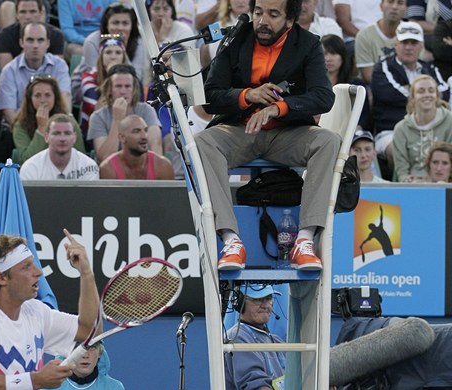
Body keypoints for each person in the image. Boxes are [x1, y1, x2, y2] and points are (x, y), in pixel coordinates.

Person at [196, 0, 340, 271]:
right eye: (258, 12)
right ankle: (230, 239)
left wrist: (278, 108)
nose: (262, 21)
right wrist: (245, 95)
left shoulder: (308, 44)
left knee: (329, 141)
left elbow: (323, 97)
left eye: (273, 14)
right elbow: (210, 96)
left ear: (290, 20)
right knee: (203, 142)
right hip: (240, 130)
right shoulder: (235, 38)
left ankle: (305, 239)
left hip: (287, 133)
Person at [0, 229, 100, 389]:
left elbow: (90, 331)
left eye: (34, 264)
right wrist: (35, 380)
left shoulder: (37, 312)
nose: (38, 272)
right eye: (26, 267)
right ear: (1, 278)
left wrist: (86, 273)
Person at [371, 21, 450, 172]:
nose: (408, 47)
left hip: (431, 129)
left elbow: (444, 92)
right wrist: (425, 95)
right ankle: (402, 187)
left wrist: (413, 91)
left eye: (413, 42)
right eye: (404, 42)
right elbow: (388, 93)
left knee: (442, 152)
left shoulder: (430, 68)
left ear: (421, 46)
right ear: (396, 45)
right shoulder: (383, 67)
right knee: (396, 150)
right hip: (391, 130)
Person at [0, 22, 71, 126]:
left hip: (54, 128)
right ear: (21, 42)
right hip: (19, 129)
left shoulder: (59, 66)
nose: (35, 45)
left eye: (40, 40)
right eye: (30, 40)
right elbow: (9, 114)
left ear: (48, 43)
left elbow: (64, 102)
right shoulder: (9, 71)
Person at [88, 63, 162, 163]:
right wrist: (117, 119)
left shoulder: (147, 110)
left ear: (134, 89)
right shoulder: (97, 117)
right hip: (112, 175)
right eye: (118, 86)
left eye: (127, 86)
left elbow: (156, 148)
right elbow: (105, 159)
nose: (123, 91)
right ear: (110, 89)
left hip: (142, 171)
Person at [224, 283, 285, 390]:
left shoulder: (275, 340)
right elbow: (256, 386)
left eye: (269, 298)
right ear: (240, 303)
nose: (266, 305)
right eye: (258, 299)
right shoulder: (237, 337)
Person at [13, 75, 86, 165]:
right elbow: (26, 160)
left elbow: (81, 155)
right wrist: (41, 128)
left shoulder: (69, 121)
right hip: (35, 174)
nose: (43, 100)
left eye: (47, 95)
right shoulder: (21, 125)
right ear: (30, 99)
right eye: (37, 95)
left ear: (55, 98)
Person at [392, 74, 452, 182]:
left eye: (431, 91)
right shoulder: (401, 129)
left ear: (437, 96)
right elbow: (402, 171)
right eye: (421, 91)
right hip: (414, 185)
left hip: (445, 183)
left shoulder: (450, 121)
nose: (427, 95)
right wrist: (407, 180)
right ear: (413, 98)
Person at [73, 34, 131, 143]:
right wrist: (112, 75)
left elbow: (134, 107)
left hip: (126, 130)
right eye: (108, 52)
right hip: (96, 132)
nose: (113, 57)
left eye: (118, 52)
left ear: (123, 57)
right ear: (101, 56)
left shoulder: (132, 79)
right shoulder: (88, 77)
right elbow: (96, 110)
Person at [20, 113, 99, 180]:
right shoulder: (30, 168)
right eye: (56, 133)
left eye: (67, 133)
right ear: (46, 137)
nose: (62, 139)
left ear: (74, 137)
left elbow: (89, 198)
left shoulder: (88, 166)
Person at [78, 3, 145, 80]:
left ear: (132, 26)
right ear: (107, 25)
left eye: (125, 23)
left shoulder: (138, 41)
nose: (120, 28)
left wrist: (122, 47)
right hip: (89, 84)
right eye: (115, 23)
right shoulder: (91, 41)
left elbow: (136, 77)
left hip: (123, 87)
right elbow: (95, 76)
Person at [0, 0, 65, 71]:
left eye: (33, 12)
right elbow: (7, 71)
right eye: (23, 12)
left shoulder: (56, 35)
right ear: (16, 14)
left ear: (40, 13)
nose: (28, 17)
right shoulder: (5, 35)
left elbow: (57, 69)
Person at [99, 114, 175, 179]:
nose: (144, 136)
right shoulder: (108, 168)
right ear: (122, 137)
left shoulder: (163, 166)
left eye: (145, 130)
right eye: (136, 131)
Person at [321, 34, 370, 130]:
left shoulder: (355, 85)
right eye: (324, 53)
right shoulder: (310, 83)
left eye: (333, 53)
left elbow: (363, 118)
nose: (328, 58)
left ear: (342, 56)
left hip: (349, 132)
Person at [354, 0, 407, 84]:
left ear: (406, 9)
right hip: (376, 89)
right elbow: (368, 76)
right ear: (381, 5)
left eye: (400, 3)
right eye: (390, 2)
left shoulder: (411, 33)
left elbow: (416, 69)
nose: (394, 7)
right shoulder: (364, 35)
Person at [143, 0, 195, 84]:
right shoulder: (142, 30)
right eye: (156, 9)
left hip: (181, 80)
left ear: (172, 11)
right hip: (149, 82)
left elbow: (186, 63)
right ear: (148, 11)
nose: (161, 14)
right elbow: (144, 68)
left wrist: (163, 38)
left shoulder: (184, 30)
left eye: (166, 9)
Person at [52, 341, 125, 390]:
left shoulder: (114, 388)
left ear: (100, 353)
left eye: (92, 347)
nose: (85, 355)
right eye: (78, 348)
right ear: (67, 352)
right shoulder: (48, 387)